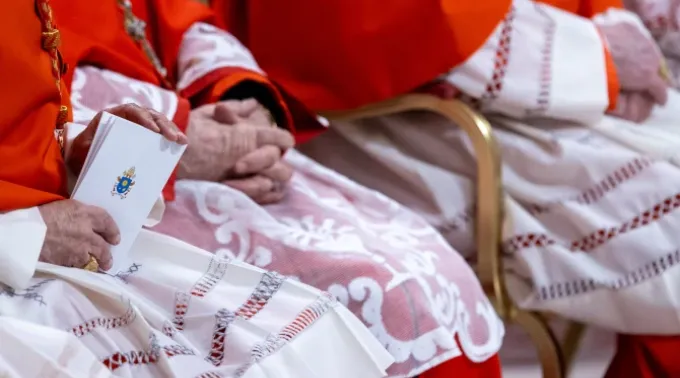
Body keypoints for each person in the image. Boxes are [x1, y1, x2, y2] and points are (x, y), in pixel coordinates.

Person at [211, 0, 680, 375]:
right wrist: (593, 56)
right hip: (402, 118)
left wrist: (607, 28)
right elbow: (380, 21)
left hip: (533, 95)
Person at [47, 0, 505, 377]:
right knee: (367, 291)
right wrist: (180, 130)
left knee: (417, 269)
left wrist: (244, 106)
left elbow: (184, 22)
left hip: (214, 144)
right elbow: (36, 100)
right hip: (111, 184)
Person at [0, 2, 395, 377]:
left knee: (337, 314)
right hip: (24, 247)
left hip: (78, 205)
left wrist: (84, 148)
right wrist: (19, 231)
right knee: (361, 287)